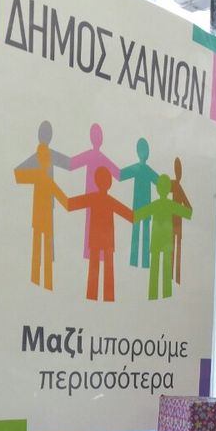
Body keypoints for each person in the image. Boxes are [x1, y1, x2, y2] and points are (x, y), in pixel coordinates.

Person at [67, 167, 133, 302]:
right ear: (109, 183)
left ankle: (92, 296)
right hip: (107, 241)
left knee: (94, 269)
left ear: (96, 181)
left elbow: (71, 204)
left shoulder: (93, 198)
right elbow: (130, 215)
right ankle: (108, 297)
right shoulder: (110, 200)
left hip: (96, 240)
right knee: (108, 270)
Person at [14, 143, 69, 290]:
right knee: (42, 249)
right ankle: (43, 283)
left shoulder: (38, 176)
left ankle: (39, 281)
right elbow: (65, 201)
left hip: (41, 217)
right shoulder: (43, 177)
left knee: (40, 249)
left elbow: (18, 174)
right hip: (44, 217)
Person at [134, 173, 193, 301]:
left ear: (157, 189)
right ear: (168, 190)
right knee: (166, 270)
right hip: (167, 242)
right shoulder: (170, 205)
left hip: (156, 242)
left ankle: (153, 294)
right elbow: (188, 212)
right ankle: (166, 295)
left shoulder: (155, 204)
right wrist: (183, 196)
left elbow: (137, 215)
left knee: (154, 269)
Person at [69, 124, 120, 261]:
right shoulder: (100, 157)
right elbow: (118, 173)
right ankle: (95, 252)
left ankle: (91, 252)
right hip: (94, 194)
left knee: (92, 223)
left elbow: (71, 163)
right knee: (96, 223)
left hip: (92, 194)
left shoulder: (92, 155)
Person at [119, 137, 158, 269]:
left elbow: (160, 182)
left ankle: (142, 262)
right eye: (142, 150)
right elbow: (120, 175)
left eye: (144, 150)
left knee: (144, 235)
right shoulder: (139, 169)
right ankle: (135, 261)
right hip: (139, 207)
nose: (144, 153)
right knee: (136, 235)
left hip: (145, 207)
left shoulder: (145, 169)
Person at [170, 156, 191, 285]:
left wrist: (175, 209)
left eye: (179, 171)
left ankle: (175, 278)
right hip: (171, 223)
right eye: (178, 170)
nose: (179, 173)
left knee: (175, 250)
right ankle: (172, 278)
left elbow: (189, 209)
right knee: (172, 250)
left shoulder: (176, 186)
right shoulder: (174, 185)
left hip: (176, 224)